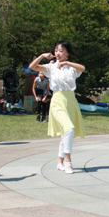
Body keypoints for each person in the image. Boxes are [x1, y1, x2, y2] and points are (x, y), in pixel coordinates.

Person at [29, 41, 86, 174]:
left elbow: (82, 68)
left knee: (66, 132)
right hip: (57, 100)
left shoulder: (71, 67)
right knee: (69, 129)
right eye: (56, 50)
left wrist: (67, 63)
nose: (58, 53)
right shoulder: (51, 67)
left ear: (67, 53)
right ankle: (68, 161)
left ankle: (60, 162)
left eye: (61, 50)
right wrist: (42, 55)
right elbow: (33, 67)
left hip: (70, 101)